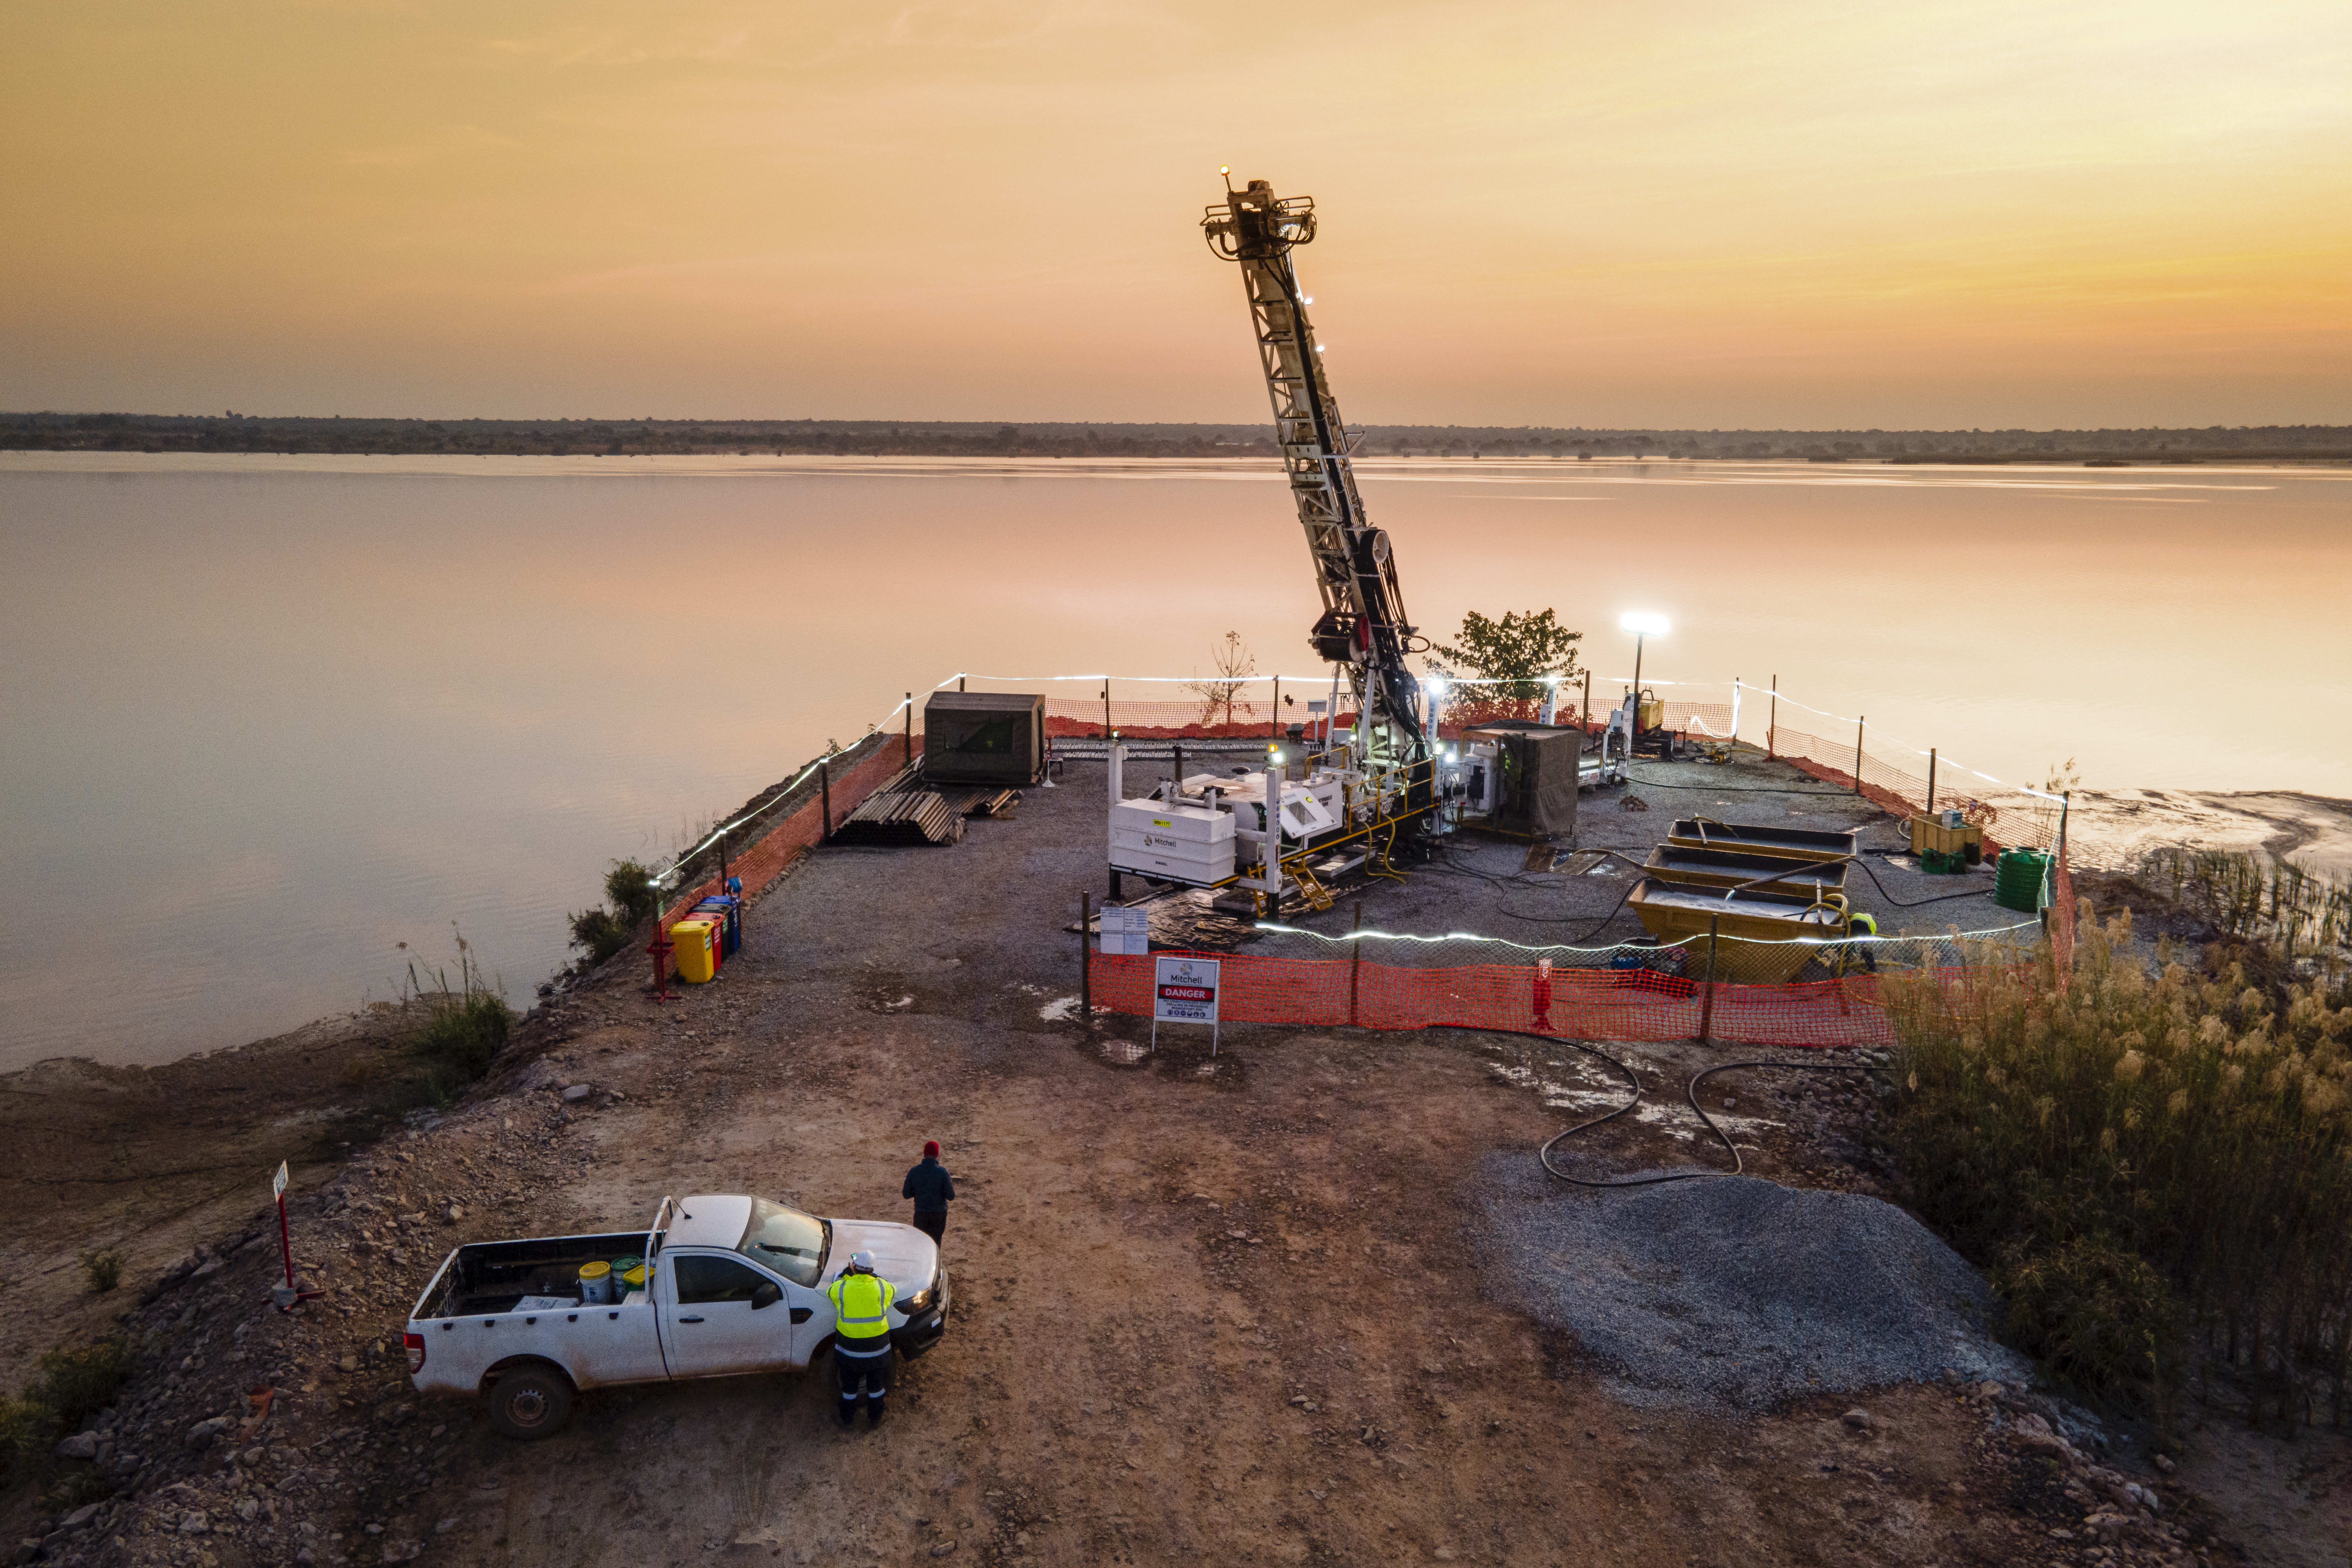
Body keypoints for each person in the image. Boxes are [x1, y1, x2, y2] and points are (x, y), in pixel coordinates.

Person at [826, 1250, 896, 1428]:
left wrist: (846, 1274)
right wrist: (874, 1278)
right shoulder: (882, 1287)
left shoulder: (842, 1287)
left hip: (850, 1352)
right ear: (872, 1270)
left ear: (854, 1268)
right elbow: (892, 1290)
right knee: (876, 1388)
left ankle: (847, 1420)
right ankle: (876, 1419)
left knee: (849, 1389)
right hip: (877, 1352)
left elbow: (831, 1291)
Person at [902, 1139, 955, 1246]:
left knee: (921, 1245)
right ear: (937, 1154)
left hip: (921, 1214)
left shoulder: (915, 1171)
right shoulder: (943, 1173)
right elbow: (951, 1196)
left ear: (925, 1154)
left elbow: (906, 1194)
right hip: (939, 1215)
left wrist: (919, 1192)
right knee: (935, 1245)